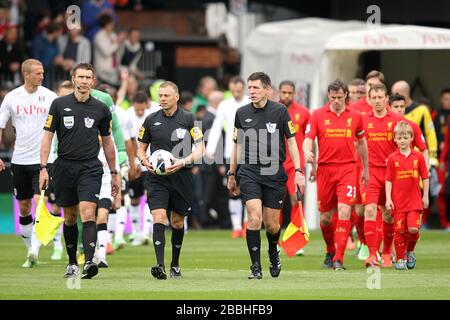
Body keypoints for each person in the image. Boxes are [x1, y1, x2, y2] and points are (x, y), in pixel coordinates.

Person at [39, 62, 119, 279]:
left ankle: (90, 262)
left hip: (90, 167)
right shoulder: (58, 104)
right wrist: (44, 167)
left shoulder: (101, 109)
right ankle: (72, 262)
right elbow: (47, 137)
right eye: (80, 77)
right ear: (73, 78)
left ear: (93, 81)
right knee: (70, 217)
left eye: (88, 78)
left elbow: (109, 142)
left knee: (88, 212)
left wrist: (114, 173)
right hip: (64, 166)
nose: (84, 81)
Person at [228, 72, 305, 279]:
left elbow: (292, 143)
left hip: (274, 173)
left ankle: (273, 252)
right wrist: (231, 173)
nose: (251, 92)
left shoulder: (280, 111)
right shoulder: (241, 113)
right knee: (254, 219)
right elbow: (237, 145)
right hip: (249, 172)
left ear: (267, 90)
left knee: (272, 225)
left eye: (255, 88)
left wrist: (298, 171)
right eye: (249, 88)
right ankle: (255, 267)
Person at [137, 81, 205, 279]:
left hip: (181, 177)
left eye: (166, 96)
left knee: (176, 222)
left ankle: (175, 264)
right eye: (160, 96)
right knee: (158, 217)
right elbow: (141, 147)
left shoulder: (189, 119)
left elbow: (201, 149)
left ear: (176, 97)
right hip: (156, 179)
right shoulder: (151, 120)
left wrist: (183, 162)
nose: (162, 99)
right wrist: (143, 160)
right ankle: (160, 265)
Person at [303, 79, 368, 271]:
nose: (337, 101)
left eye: (340, 97)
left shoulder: (355, 116)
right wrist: (308, 153)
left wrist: (366, 169)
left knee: (345, 210)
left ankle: (339, 258)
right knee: (325, 218)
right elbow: (308, 139)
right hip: (325, 169)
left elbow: (362, 143)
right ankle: (330, 250)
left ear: (346, 95)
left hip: (348, 169)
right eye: (333, 98)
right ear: (328, 97)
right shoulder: (317, 115)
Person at [0, 59, 57, 267]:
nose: (42, 76)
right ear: (26, 74)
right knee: (24, 208)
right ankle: (30, 253)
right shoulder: (12, 98)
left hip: (44, 160)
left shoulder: (51, 97)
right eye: (38, 73)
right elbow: (0, 124)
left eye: (43, 73)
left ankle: (34, 249)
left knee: (38, 202)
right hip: (19, 160)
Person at [350, 70, 387, 262]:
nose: (372, 90)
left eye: (375, 86)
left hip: (380, 168)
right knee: (359, 210)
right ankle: (363, 242)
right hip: (358, 166)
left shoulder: (386, 109)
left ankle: (377, 250)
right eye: (369, 86)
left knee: (378, 209)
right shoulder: (356, 110)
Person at [206, 76, 250, 237]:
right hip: (229, 153)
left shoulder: (250, 102)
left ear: (243, 89)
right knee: (232, 189)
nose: (236, 93)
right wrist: (211, 148)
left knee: (248, 189)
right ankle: (237, 226)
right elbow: (217, 126)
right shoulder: (225, 105)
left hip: (249, 152)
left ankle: (247, 224)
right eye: (233, 91)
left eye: (239, 90)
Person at [385, 121, 429, 270]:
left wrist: (426, 196)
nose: (402, 140)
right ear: (395, 139)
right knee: (399, 231)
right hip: (398, 202)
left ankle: (410, 251)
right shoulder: (392, 158)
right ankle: (400, 259)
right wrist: (389, 198)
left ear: (411, 138)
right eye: (399, 137)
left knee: (413, 230)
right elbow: (388, 180)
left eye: (405, 137)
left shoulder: (418, 157)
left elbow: (425, 177)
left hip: (415, 201)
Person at [278, 80, 310, 230]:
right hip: (276, 163)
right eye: (284, 92)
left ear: (294, 94)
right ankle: (275, 243)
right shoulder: (272, 110)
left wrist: (313, 164)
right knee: (275, 202)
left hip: (296, 164)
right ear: (279, 92)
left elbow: (310, 139)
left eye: (289, 93)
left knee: (296, 199)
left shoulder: (304, 112)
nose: (286, 96)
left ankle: (296, 238)